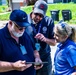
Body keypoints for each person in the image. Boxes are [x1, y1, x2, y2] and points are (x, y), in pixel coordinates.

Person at [0, 9, 42, 75]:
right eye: (20, 28)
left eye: (25, 28)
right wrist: (13, 66)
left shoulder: (24, 34)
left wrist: (37, 58)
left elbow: (34, 49)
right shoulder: (1, 37)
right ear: (11, 23)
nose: (22, 31)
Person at [26, 0, 56, 75]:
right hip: (29, 57)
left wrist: (45, 39)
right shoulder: (24, 20)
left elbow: (54, 42)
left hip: (45, 58)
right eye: (36, 14)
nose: (38, 17)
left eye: (41, 16)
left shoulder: (49, 21)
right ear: (33, 9)